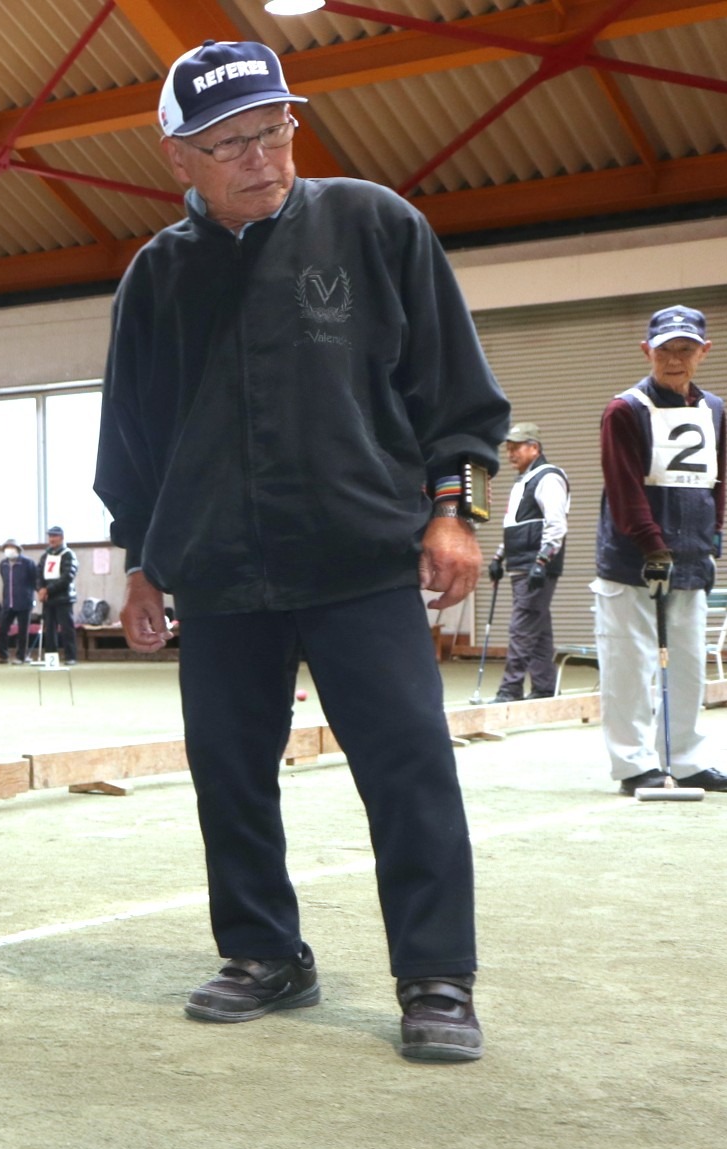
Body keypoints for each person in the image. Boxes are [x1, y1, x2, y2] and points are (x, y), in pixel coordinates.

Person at [95, 41, 510, 1063]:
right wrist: (141, 558)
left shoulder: (373, 225)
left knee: (407, 768)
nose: (261, 155)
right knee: (228, 772)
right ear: (178, 157)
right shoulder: (157, 277)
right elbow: (133, 435)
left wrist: (452, 509)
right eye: (230, 141)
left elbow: (453, 390)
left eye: (274, 129)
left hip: (359, 557)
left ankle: (436, 977)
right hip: (220, 574)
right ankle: (264, 952)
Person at [592, 305, 727, 795]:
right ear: (647, 351)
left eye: (685, 349)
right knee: (630, 662)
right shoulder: (625, 409)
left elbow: (714, 481)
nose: (674, 359)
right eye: (665, 350)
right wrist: (651, 546)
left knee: (688, 661)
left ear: (704, 351)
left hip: (692, 555)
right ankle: (635, 764)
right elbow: (624, 488)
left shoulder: (713, 408)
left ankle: (687, 759)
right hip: (632, 557)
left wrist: (712, 538)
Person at [486, 421, 570, 701]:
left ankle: (510, 689)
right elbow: (515, 524)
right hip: (521, 564)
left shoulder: (548, 477)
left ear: (534, 448)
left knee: (522, 627)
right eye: (508, 449)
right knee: (538, 627)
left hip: (536, 565)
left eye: (516, 448)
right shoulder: (523, 480)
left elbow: (556, 525)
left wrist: (542, 561)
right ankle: (546, 687)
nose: (510, 454)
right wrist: (499, 556)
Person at [0, 538, 38, 663]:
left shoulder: (28, 563)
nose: (9, 550)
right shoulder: (3, 564)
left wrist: (40, 593)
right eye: (6, 548)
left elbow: (35, 581)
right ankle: (3, 655)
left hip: (24, 601)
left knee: (23, 631)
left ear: (18, 549)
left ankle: (21, 656)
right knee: (2, 630)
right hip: (8, 602)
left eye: (11, 547)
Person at [38, 527, 79, 664]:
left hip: (64, 598)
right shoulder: (45, 555)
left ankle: (70, 656)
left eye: (55, 536)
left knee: (67, 628)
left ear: (61, 537)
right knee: (49, 629)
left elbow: (67, 576)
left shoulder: (68, 554)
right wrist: (40, 589)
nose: (52, 539)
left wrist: (48, 589)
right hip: (48, 599)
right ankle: (51, 657)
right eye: (50, 536)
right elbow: (39, 575)